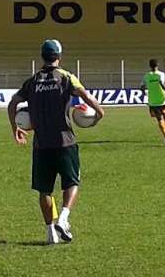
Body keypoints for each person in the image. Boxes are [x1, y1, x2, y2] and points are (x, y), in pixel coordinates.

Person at [8, 39, 104, 245]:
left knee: (45, 190)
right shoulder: (66, 77)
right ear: (59, 56)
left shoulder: (32, 81)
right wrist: (99, 112)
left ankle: (50, 232)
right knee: (72, 182)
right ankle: (63, 217)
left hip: (41, 144)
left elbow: (13, 102)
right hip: (65, 141)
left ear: (42, 57)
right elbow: (85, 95)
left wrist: (14, 127)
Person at [140, 59, 165, 144]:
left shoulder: (146, 76)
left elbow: (142, 87)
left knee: (159, 118)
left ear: (149, 66)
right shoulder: (161, 74)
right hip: (162, 99)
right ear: (157, 65)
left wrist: (145, 93)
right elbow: (161, 83)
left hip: (153, 100)